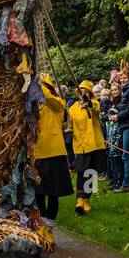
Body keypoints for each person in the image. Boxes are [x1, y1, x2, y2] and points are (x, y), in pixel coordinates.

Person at [32, 77, 73, 223]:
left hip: (55, 152)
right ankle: (43, 220)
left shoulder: (58, 104)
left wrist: (36, 84)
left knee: (53, 192)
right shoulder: (36, 105)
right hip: (39, 153)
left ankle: (50, 222)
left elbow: (47, 97)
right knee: (39, 192)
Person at [68, 82, 107, 215]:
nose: (82, 93)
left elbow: (95, 109)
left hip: (95, 143)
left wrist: (88, 103)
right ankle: (79, 199)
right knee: (81, 172)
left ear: (90, 93)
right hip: (81, 144)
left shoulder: (95, 103)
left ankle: (87, 198)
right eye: (81, 91)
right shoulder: (73, 108)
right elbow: (70, 123)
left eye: (85, 91)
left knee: (92, 173)